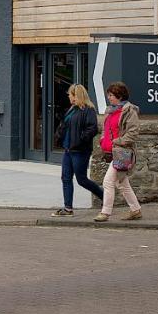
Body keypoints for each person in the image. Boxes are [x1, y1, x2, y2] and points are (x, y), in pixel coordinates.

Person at [50, 84, 103, 217]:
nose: (68, 97)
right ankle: (68, 208)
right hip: (68, 150)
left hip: (80, 150)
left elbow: (92, 128)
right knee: (65, 178)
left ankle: (105, 197)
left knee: (82, 179)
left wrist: (80, 139)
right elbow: (66, 125)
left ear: (76, 95)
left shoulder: (88, 110)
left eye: (70, 95)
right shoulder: (72, 109)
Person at [95, 81, 142, 222]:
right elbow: (106, 129)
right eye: (108, 95)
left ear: (120, 96)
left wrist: (117, 141)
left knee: (108, 182)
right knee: (122, 182)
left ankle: (105, 212)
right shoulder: (110, 111)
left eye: (111, 95)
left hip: (123, 152)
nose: (109, 97)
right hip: (112, 151)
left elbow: (133, 133)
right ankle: (135, 210)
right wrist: (103, 139)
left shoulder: (129, 111)